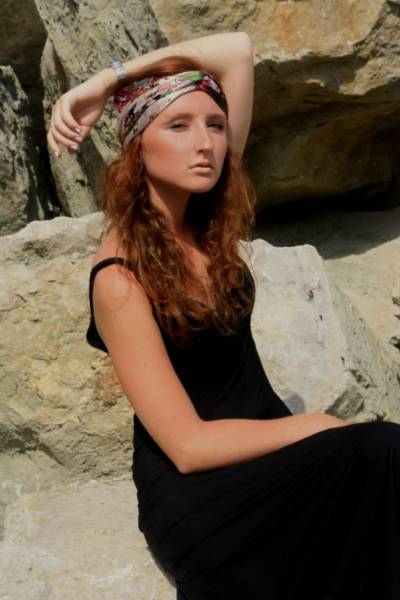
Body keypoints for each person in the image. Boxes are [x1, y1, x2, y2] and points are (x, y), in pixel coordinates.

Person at [48, 31, 400, 600]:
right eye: (178, 126)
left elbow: (237, 50)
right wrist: (313, 425)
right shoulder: (119, 278)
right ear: (137, 145)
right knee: (383, 451)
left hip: (268, 451)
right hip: (203, 498)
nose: (206, 143)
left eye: (215, 124)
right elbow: (187, 447)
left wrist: (105, 81)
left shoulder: (204, 217)